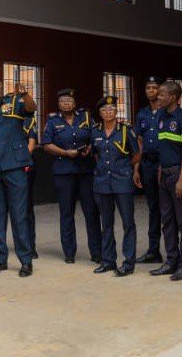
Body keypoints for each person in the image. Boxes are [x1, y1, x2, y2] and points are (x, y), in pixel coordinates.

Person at [0, 73, 35, 277]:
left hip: (15, 166)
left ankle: (26, 261)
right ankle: (0, 259)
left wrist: (25, 94)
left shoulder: (15, 101)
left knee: (19, 215)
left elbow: (31, 108)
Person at [40, 89, 100, 264]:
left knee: (91, 212)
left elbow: (96, 137)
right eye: (63, 101)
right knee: (67, 213)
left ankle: (97, 252)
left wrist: (90, 148)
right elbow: (47, 145)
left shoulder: (86, 118)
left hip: (85, 171)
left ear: (74, 103)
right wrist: (66, 153)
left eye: (69, 101)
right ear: (58, 104)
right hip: (64, 172)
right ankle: (69, 253)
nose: (66, 104)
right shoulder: (52, 121)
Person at [150, 80, 182, 281]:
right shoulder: (161, 115)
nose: (158, 97)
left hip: (180, 174)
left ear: (174, 97)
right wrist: (161, 170)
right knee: (167, 220)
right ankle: (171, 261)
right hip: (165, 173)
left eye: (162, 94)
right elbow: (164, 147)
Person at [89, 96, 139, 276]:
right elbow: (95, 153)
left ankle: (128, 263)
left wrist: (125, 168)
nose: (108, 112)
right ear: (100, 113)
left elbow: (136, 154)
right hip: (102, 182)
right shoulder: (95, 131)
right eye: (104, 110)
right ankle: (108, 261)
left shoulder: (125, 130)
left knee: (128, 223)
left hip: (122, 181)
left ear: (116, 111)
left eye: (111, 109)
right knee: (107, 224)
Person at [133, 77, 164, 265]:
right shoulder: (142, 114)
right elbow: (140, 142)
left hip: (165, 164)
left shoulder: (167, 111)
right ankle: (154, 251)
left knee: (168, 209)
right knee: (153, 208)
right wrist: (136, 169)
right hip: (147, 164)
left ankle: (174, 253)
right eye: (148, 87)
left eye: (155, 87)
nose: (151, 90)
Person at [24, 111, 39, 258]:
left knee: (27, 208)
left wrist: (17, 162)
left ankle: (30, 246)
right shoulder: (3, 119)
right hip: (4, 168)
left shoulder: (29, 121)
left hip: (24, 168)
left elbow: (31, 145)